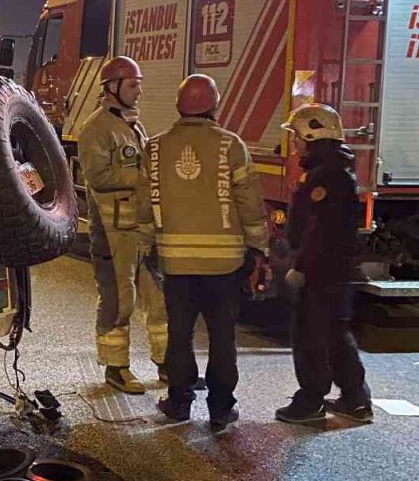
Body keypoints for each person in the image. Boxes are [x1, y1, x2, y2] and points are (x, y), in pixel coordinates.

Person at [136, 74, 270, 433]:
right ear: (214, 105)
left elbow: (144, 206)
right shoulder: (231, 146)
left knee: (179, 335)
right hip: (224, 266)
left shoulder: (155, 148)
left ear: (179, 106)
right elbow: (249, 202)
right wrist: (259, 248)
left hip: (176, 265)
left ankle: (179, 402)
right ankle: (221, 409)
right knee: (222, 338)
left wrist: (146, 247)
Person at [274, 103, 372, 424]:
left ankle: (311, 400)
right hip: (333, 270)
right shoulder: (335, 172)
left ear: (312, 135)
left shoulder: (324, 176)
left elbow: (320, 230)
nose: (295, 143)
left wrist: (300, 266)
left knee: (310, 335)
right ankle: (355, 398)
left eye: (298, 136)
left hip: (319, 272)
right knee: (333, 331)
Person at [77, 56, 168, 394]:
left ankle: (166, 364)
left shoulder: (131, 125)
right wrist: (142, 174)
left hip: (140, 229)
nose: (139, 91)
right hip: (112, 232)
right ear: (112, 88)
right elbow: (98, 176)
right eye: (133, 85)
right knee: (119, 299)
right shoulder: (95, 129)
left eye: (139, 84)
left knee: (157, 299)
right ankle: (116, 368)